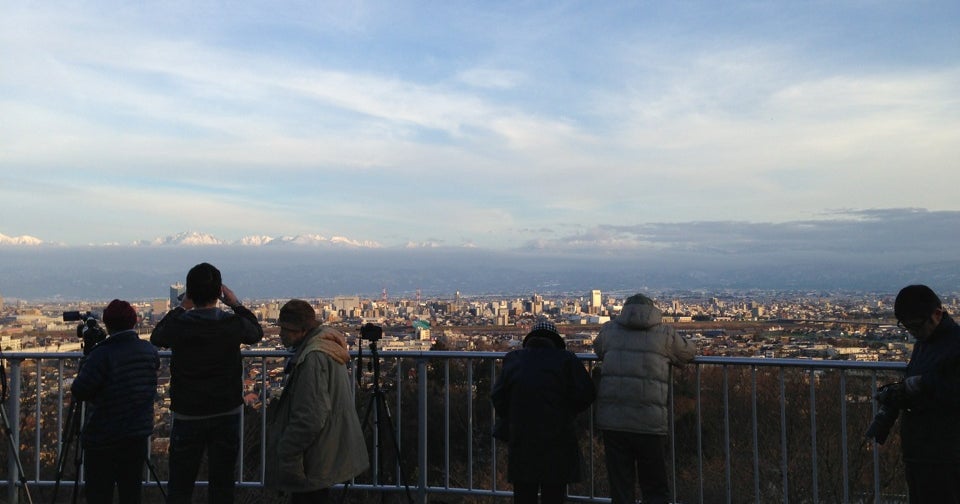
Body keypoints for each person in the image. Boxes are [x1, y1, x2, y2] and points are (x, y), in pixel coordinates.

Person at [151, 262, 263, 504]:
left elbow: (157, 337)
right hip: (226, 411)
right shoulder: (231, 324)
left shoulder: (180, 324)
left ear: (190, 292)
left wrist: (182, 307)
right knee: (222, 485)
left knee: (180, 485)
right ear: (219, 293)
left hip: (188, 413)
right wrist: (235, 304)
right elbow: (256, 333)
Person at [593, 293, 696, 504]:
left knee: (621, 486)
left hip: (614, 421)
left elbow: (598, 350)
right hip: (649, 422)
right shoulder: (665, 334)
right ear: (653, 311)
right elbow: (688, 353)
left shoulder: (610, 330)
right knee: (654, 485)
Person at [264, 299, 368, 504]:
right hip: (326, 447)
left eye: (284, 329)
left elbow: (309, 416)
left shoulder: (313, 358)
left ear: (300, 330)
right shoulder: (326, 348)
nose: (280, 334)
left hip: (314, 456)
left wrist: (287, 450)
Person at [491, 320, 595, 504]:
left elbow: (498, 396)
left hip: (521, 438)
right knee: (554, 493)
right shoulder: (566, 359)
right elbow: (586, 394)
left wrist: (512, 415)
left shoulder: (514, 359)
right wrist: (569, 412)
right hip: (558, 437)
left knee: (523, 493)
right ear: (555, 341)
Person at [71, 299, 159, 504]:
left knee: (99, 494)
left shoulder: (101, 355)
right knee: (131, 492)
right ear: (134, 322)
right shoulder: (148, 351)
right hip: (137, 433)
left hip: (103, 436)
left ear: (107, 324)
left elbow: (80, 390)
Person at [888, 284, 960, 503]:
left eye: (917, 327)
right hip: (922, 452)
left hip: (945, 454)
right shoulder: (925, 342)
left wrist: (918, 386)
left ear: (937, 315)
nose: (913, 333)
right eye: (907, 328)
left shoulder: (953, 344)